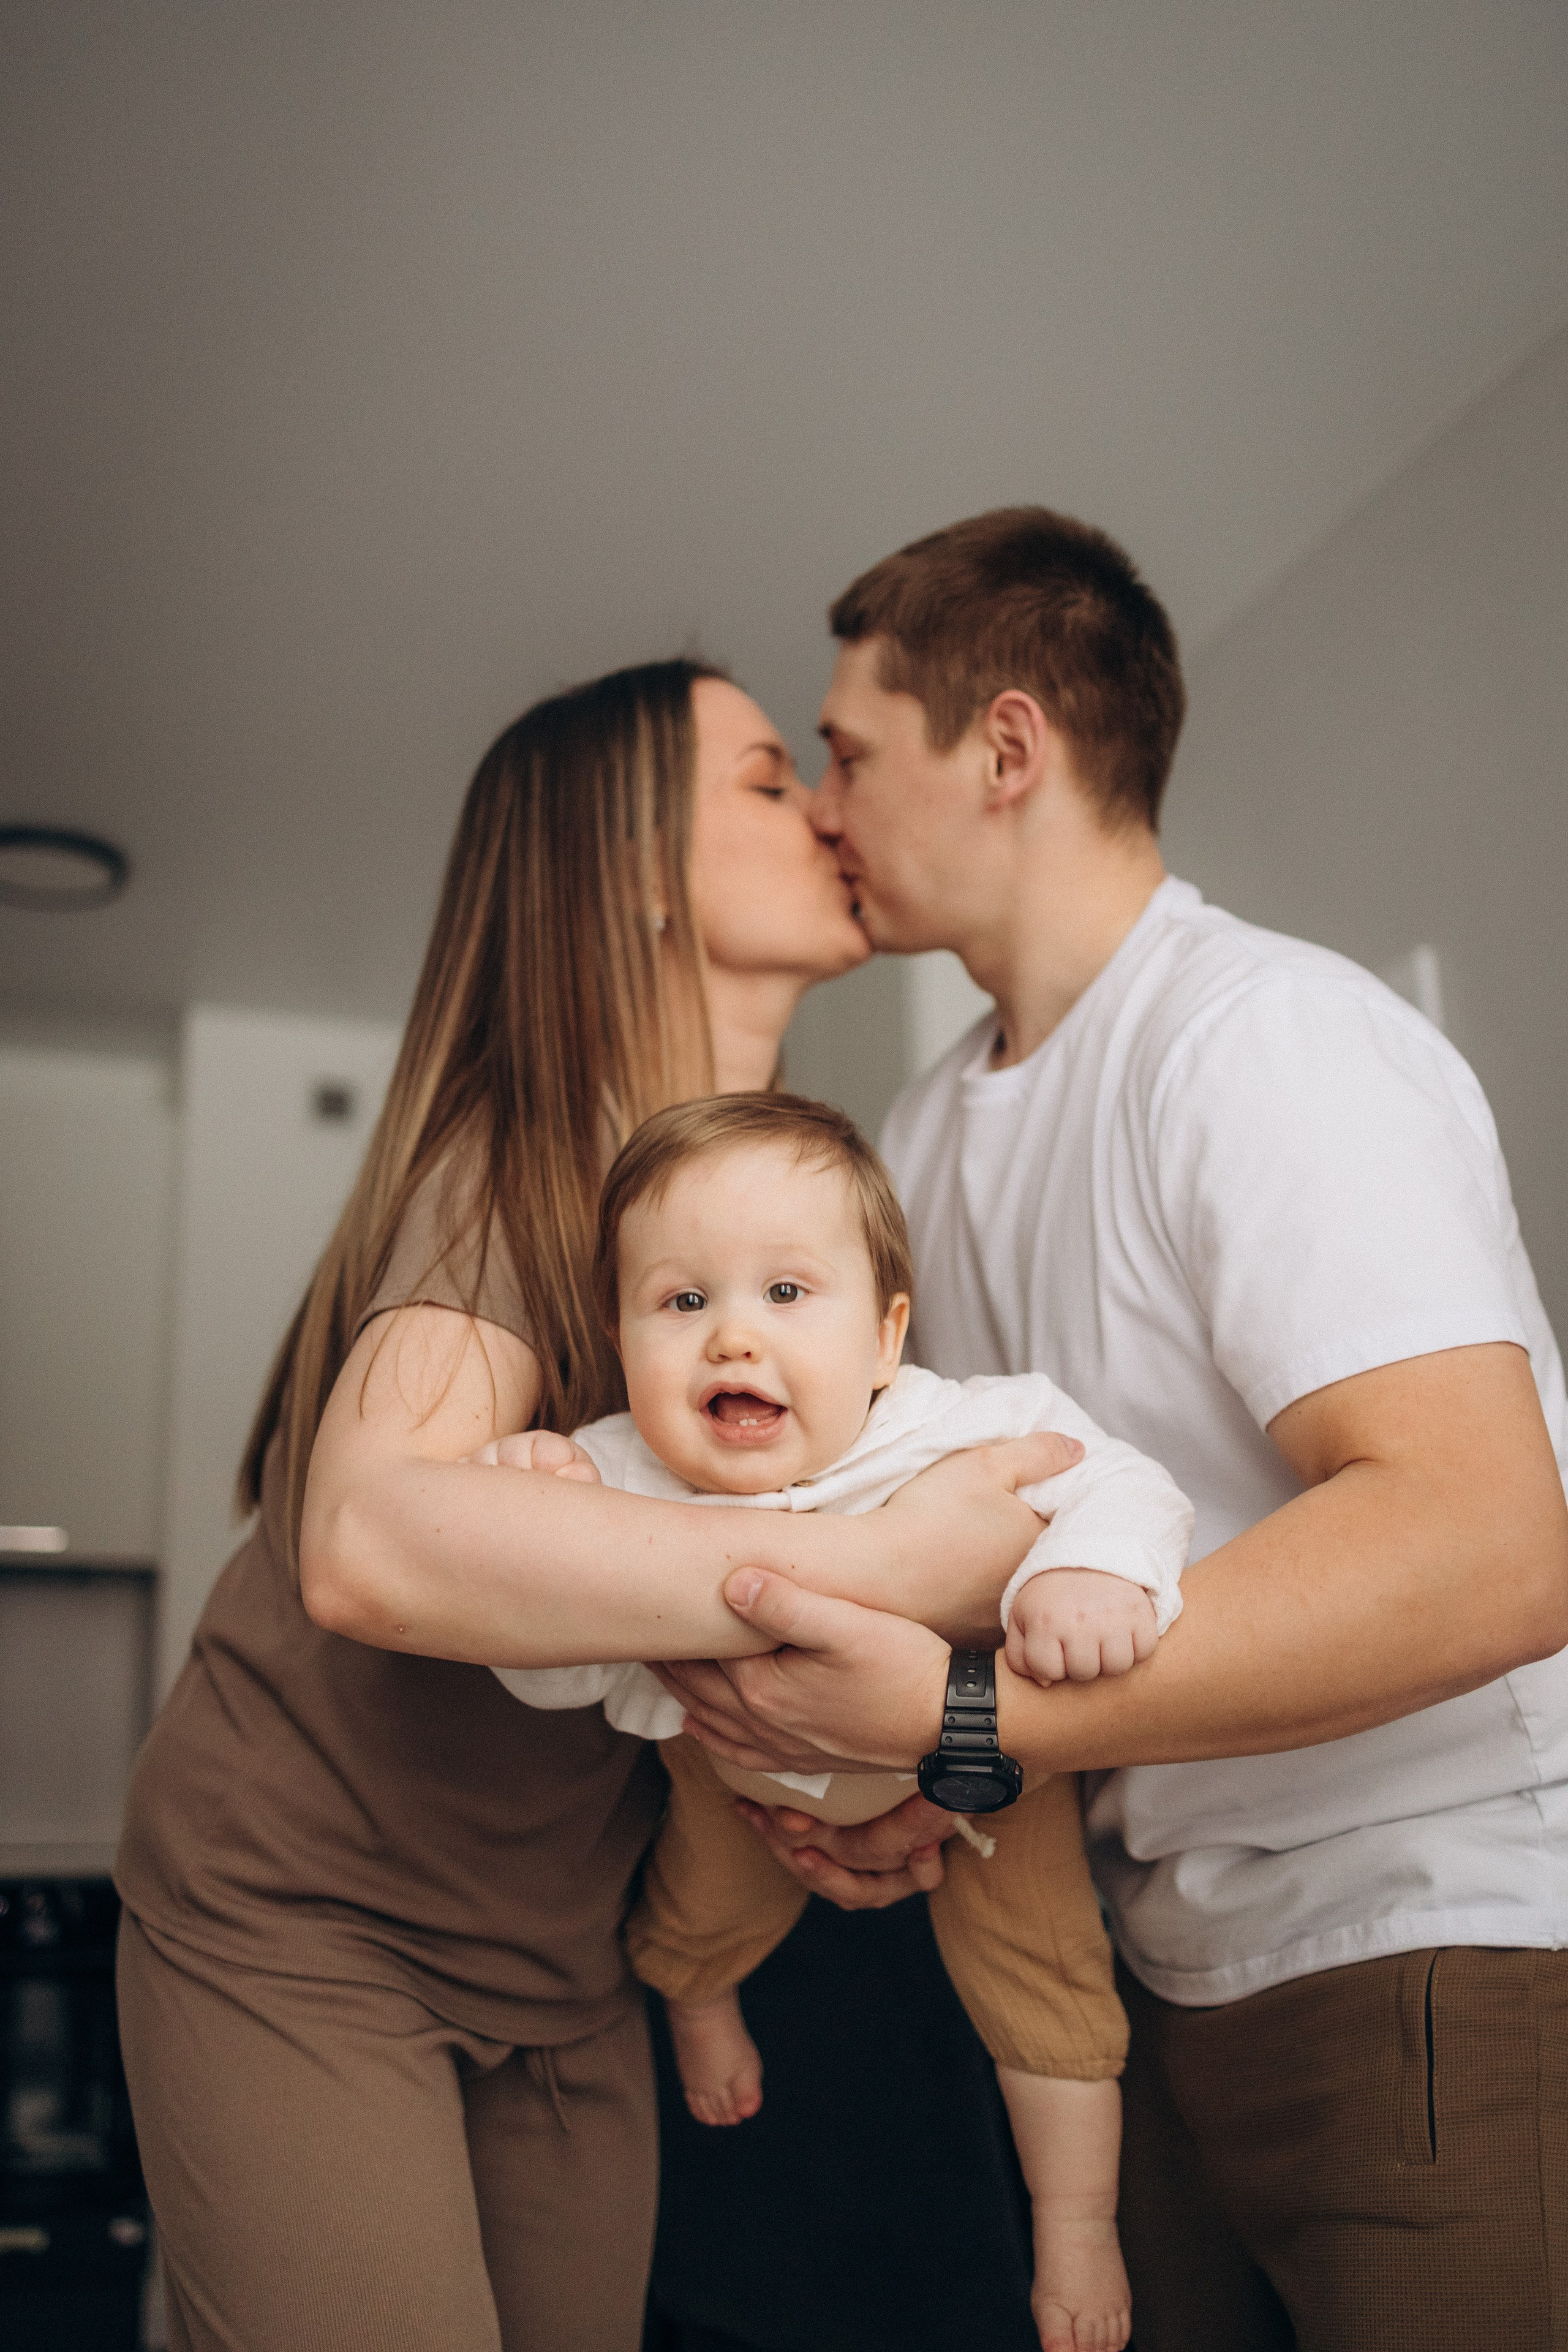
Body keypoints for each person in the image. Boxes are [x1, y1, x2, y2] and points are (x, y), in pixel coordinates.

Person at [660, 510, 1568, 2351]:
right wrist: (928, 1774)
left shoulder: (1265, 1041)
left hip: (1440, 1952)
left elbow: (1494, 1543)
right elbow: (1001, 1551)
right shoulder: (915, 1139)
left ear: (1004, 748)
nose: (822, 804)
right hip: (1153, 1985)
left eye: (843, 751)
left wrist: (972, 1722)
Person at [113, 657, 1068, 2352]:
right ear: (631, 866)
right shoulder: (516, 1161)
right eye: (773, 781)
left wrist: (847, 1788)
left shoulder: (796, 1234)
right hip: (309, 1918)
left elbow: (669, 1632)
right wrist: (858, 1568)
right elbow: (370, 1539)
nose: (831, 810)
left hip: (569, 1964)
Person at [488, 1089, 1194, 2351]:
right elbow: (546, 1679)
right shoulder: (610, 1468)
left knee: (1044, 1984)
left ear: (886, 1336)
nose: (730, 1341)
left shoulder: (956, 1426)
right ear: (620, 1336)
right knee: (698, 1904)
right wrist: (532, 1518)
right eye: (681, 1301)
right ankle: (698, 1999)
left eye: (786, 1294)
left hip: (980, 1780)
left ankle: (1075, 2223)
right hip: (736, 1777)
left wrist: (1097, 1572)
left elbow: (1124, 1482)